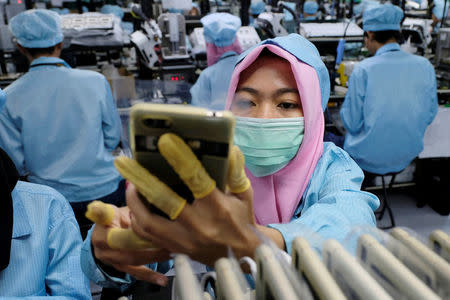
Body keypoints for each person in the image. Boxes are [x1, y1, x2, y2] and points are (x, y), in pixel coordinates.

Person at [81, 33, 379, 287]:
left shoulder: (332, 166)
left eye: (286, 104)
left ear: (313, 113)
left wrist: (254, 243)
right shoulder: (209, 167)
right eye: (247, 102)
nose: (263, 118)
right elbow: (156, 229)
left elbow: (352, 226)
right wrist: (111, 245)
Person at [0, 9, 125, 237]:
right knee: (115, 252)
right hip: (106, 192)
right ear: (60, 41)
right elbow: (112, 139)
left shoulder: (9, 97)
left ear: (20, 47)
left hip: (54, 200)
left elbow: (15, 164)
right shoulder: (96, 81)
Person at [0, 88, 90, 299]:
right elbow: (113, 135)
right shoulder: (95, 83)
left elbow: (18, 159)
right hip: (97, 193)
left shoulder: (46, 206)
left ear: (22, 51)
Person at [340, 4, 438, 177]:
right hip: (407, 154)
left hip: (366, 158)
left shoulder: (363, 69)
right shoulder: (425, 66)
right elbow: (430, 115)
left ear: (369, 34)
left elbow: (352, 123)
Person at [190, 13, 242, 110]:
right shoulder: (249, 66)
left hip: (222, 125)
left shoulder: (208, 76)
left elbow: (197, 113)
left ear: (211, 46)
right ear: (236, 41)